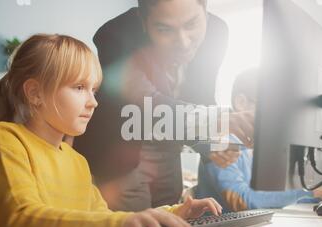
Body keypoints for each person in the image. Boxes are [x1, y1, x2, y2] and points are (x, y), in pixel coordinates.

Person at [0, 34, 222, 227]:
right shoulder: (7, 139)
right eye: (79, 87)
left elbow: (103, 219)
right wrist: (126, 223)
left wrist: (174, 213)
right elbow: (22, 221)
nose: (93, 102)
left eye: (94, 90)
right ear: (35, 93)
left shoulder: (75, 160)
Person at [75, 0, 247, 211]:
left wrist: (214, 146)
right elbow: (143, 103)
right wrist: (217, 121)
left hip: (169, 142)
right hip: (121, 148)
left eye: (192, 24)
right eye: (165, 29)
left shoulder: (216, 32)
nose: (183, 42)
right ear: (143, 22)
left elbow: (201, 95)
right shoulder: (114, 34)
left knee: (172, 223)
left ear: (205, 10)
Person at [196, 68, 322, 212]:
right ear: (241, 102)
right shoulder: (220, 140)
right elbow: (243, 201)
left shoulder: (253, 148)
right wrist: (315, 194)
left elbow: (271, 196)